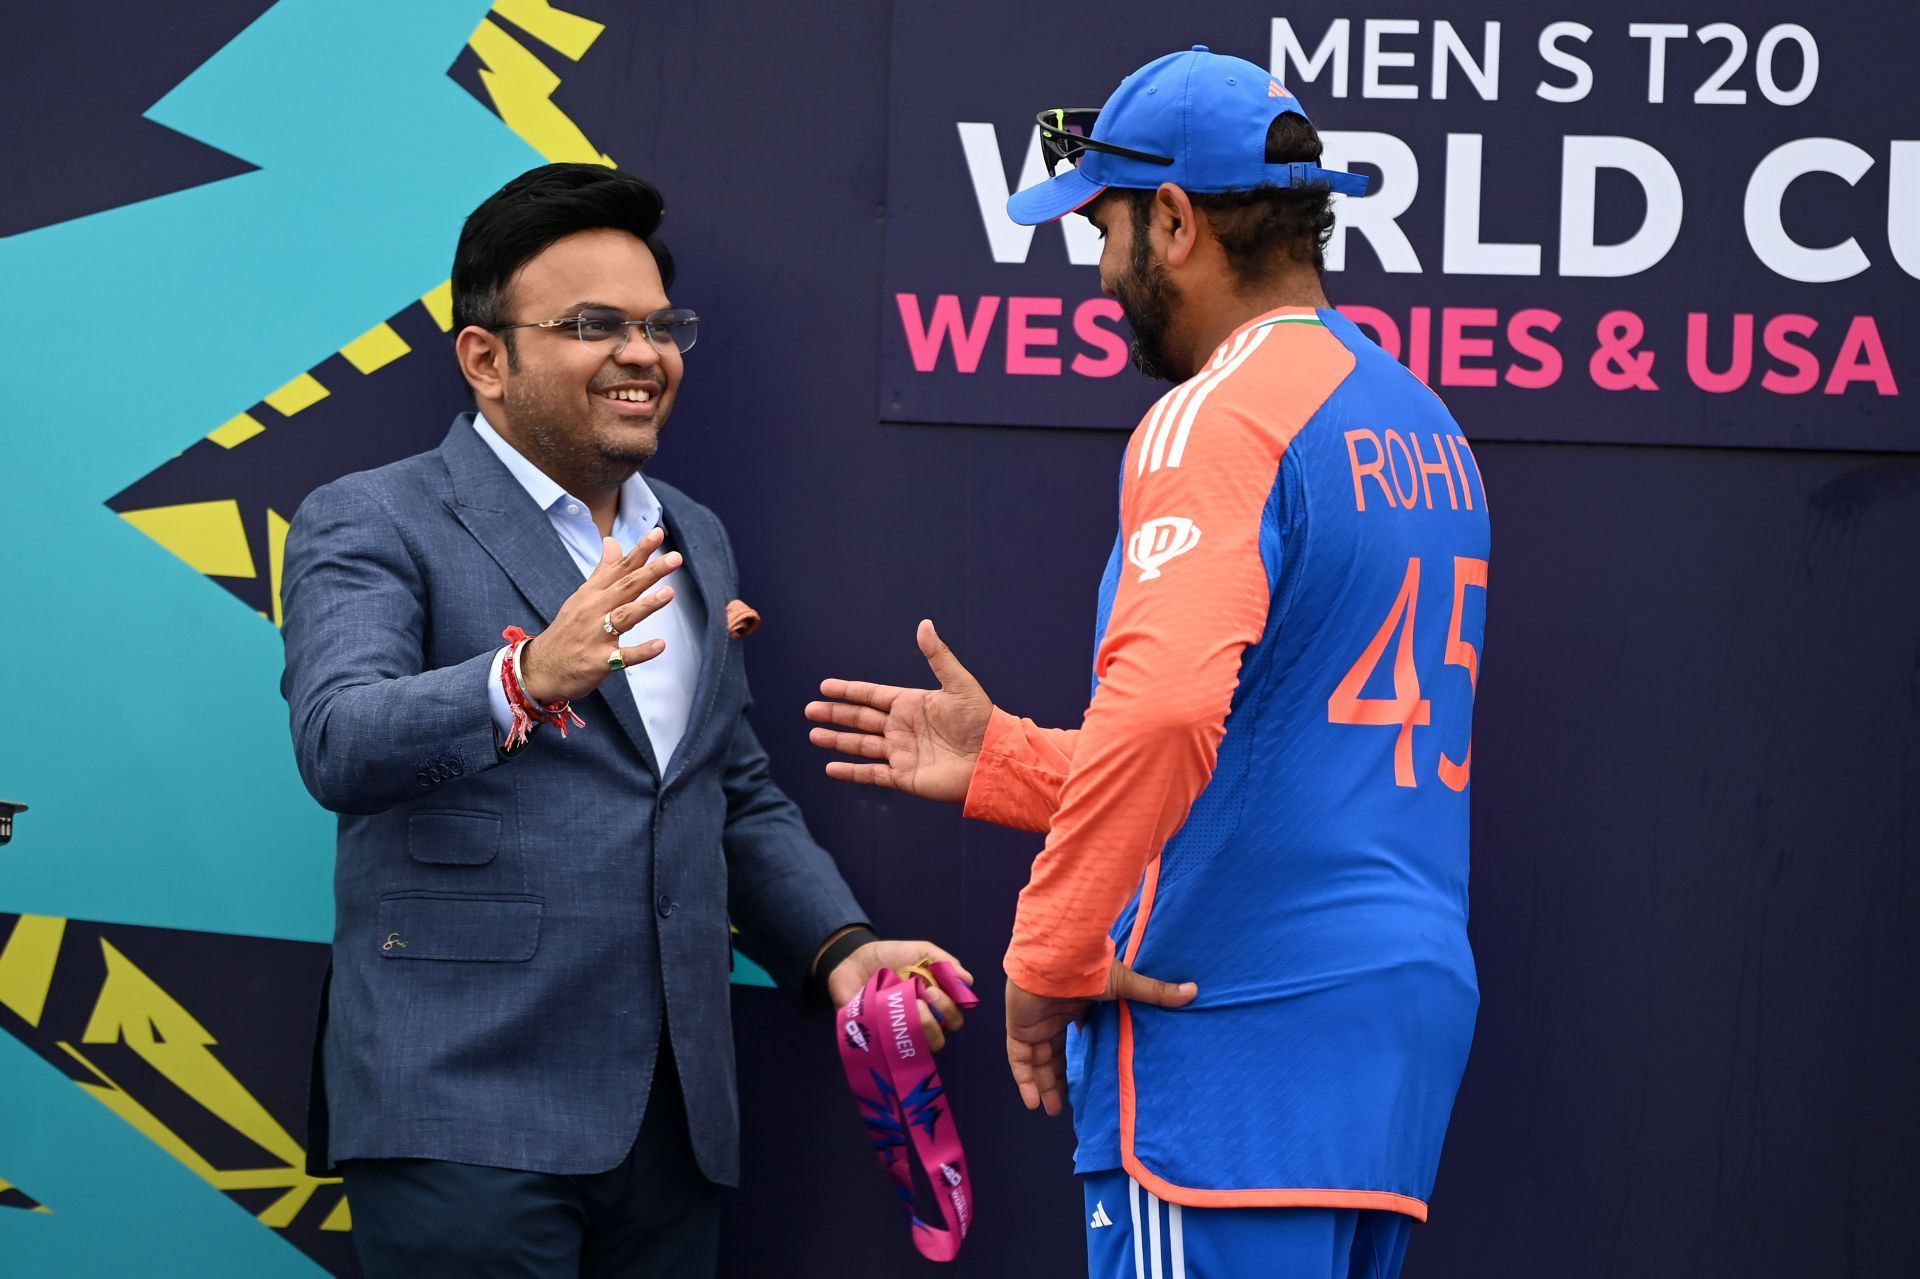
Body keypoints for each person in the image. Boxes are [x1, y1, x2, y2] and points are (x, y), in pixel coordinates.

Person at [807, 47, 1488, 1279]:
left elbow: (1169, 710)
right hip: (1389, 1039)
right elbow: (1280, 760)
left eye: (1105, 228)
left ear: (1174, 222)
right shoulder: (1416, 418)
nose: (1100, 271)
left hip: (1227, 1027)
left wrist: (1050, 950)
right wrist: (1012, 762)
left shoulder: (1216, 412)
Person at [281, 162, 968, 1279]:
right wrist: (526, 677)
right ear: (485, 358)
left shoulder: (689, 532)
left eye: (660, 325)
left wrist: (841, 949)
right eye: (595, 325)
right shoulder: (371, 518)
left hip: (671, 1121)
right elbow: (339, 738)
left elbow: (726, 790)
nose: (643, 354)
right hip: (465, 1108)